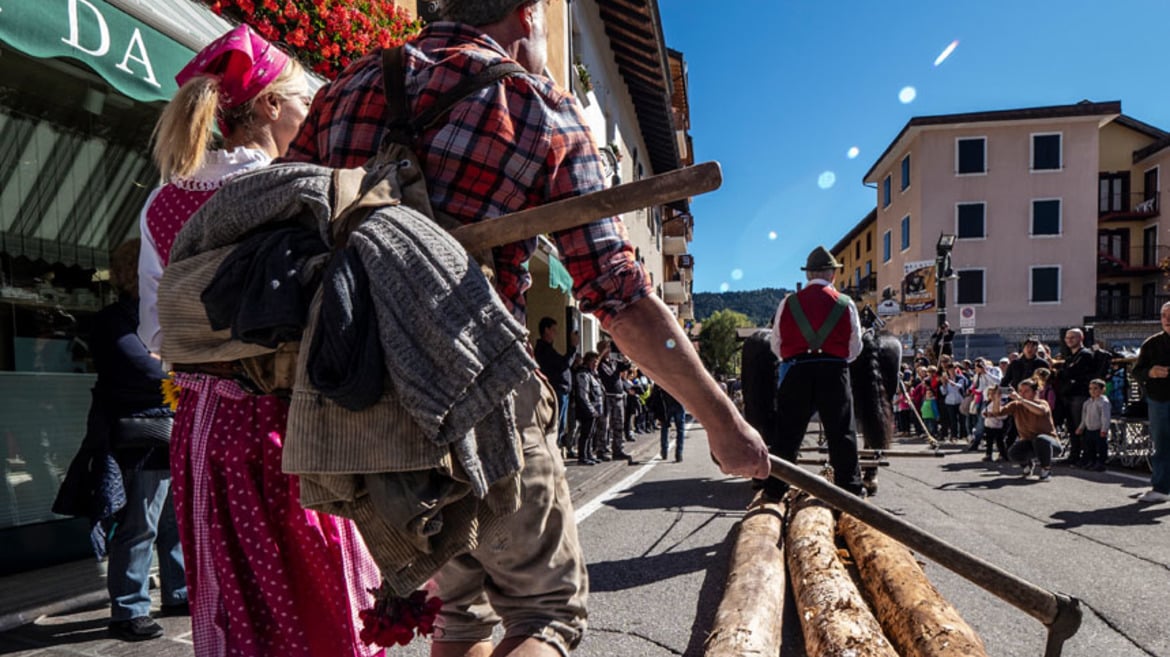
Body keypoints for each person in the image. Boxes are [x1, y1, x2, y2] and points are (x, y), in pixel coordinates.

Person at [282, 2, 770, 654]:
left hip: (361, 414)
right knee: (545, 613)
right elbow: (617, 297)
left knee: (462, 617)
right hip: (477, 400)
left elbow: (284, 222)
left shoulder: (343, 90)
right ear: (527, 15)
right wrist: (724, 422)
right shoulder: (534, 103)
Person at [137, 25, 382, 657]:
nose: (311, 109)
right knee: (323, 591)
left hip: (205, 427)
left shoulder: (162, 203)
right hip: (292, 417)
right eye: (303, 98)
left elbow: (156, 332)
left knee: (244, 607)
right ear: (272, 106)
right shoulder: (299, 188)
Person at [54, 240, 186, 641]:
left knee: (173, 523)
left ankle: (178, 593)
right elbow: (146, 369)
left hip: (168, 430)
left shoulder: (154, 314)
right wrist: (188, 369)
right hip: (141, 435)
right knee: (140, 525)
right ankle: (128, 609)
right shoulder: (115, 319)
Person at [764, 245, 865, 499]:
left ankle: (776, 488)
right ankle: (850, 489)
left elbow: (776, 344)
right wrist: (834, 359)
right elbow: (856, 346)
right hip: (834, 372)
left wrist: (799, 356)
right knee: (842, 432)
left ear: (809, 274)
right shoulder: (845, 302)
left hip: (798, 371)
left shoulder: (788, 302)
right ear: (832, 274)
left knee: (787, 434)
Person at [1129, 301, 1170, 503]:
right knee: (1161, 445)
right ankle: (1161, 488)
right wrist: (1151, 372)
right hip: (1159, 400)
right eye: (1164, 316)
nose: (1168, 320)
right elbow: (1136, 372)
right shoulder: (1151, 343)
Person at [987, 379, 1062, 482]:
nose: (1022, 393)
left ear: (1035, 392)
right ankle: (1028, 464)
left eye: (1026, 391)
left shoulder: (1042, 403)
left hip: (1050, 444)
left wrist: (1020, 399)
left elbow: (1040, 411)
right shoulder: (1016, 405)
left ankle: (1046, 470)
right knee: (1013, 452)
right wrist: (996, 399)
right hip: (1030, 443)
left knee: (1040, 439)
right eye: (1020, 391)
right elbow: (997, 413)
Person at [533, 316, 578, 455]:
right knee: (556, 425)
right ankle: (552, 453)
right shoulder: (543, 350)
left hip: (562, 390)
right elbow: (564, 365)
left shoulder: (549, 349)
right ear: (546, 330)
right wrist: (573, 348)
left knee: (560, 424)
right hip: (556, 390)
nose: (555, 333)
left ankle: (555, 451)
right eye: (553, 330)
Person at [1058, 328, 1097, 466]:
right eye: (1067, 338)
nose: (1069, 340)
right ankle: (1074, 455)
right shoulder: (1070, 357)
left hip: (1079, 395)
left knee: (1081, 427)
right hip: (1069, 395)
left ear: (1081, 338)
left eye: (1072, 337)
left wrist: (1063, 373)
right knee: (1071, 428)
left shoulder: (1085, 355)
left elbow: (1071, 372)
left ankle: (1086, 456)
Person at [574, 352, 604, 465]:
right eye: (593, 361)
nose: (596, 364)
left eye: (597, 361)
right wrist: (591, 410)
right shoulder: (583, 375)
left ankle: (589, 454)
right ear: (588, 361)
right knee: (585, 434)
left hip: (594, 410)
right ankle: (583, 457)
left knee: (591, 434)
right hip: (588, 411)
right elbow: (583, 394)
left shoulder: (592, 374)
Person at [1075, 379, 1111, 472]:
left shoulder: (1104, 402)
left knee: (1101, 447)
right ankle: (1091, 461)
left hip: (1098, 429)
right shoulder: (1087, 403)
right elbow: (1084, 417)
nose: (1093, 391)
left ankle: (1101, 463)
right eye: (1091, 389)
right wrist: (1081, 427)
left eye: (1096, 388)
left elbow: (1105, 417)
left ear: (1102, 390)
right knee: (1090, 447)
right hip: (1089, 428)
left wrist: (1104, 429)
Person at [654, 382, 686, 462]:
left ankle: (664, 450)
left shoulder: (664, 374)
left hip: (666, 403)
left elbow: (656, 388)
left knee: (664, 427)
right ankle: (679, 453)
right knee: (680, 429)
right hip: (679, 402)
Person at [980, 386, 1008, 462]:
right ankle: (988, 454)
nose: (991, 396)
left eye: (993, 394)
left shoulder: (1000, 403)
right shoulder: (988, 403)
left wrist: (995, 415)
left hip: (997, 426)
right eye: (990, 394)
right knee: (989, 442)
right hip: (988, 425)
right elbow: (983, 412)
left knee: (999, 442)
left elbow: (1004, 415)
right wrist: (985, 414)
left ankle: (1003, 455)